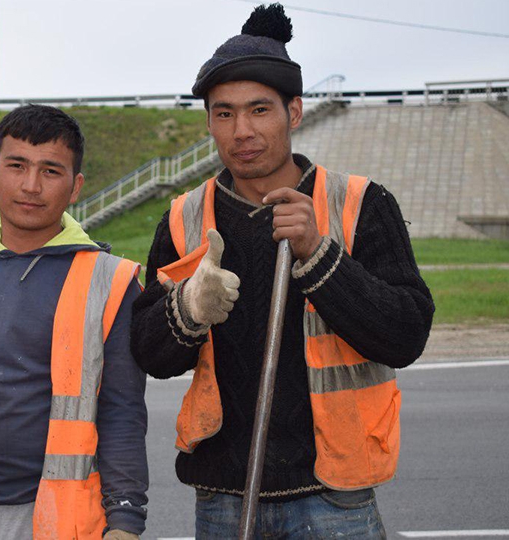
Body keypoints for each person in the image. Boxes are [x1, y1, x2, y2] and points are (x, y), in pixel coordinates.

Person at [129, 4, 434, 537]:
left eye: (259, 110)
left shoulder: (359, 203)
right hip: (224, 495)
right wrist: (188, 308)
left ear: (293, 112)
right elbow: (150, 355)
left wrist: (320, 254)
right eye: (223, 113)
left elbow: (406, 335)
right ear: (208, 121)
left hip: (333, 495)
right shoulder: (185, 218)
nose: (241, 130)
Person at [0, 105, 149, 540]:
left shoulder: (111, 280)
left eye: (50, 170)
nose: (30, 185)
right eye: (17, 166)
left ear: (76, 186)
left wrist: (125, 519)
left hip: (51, 518)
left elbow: (122, 412)